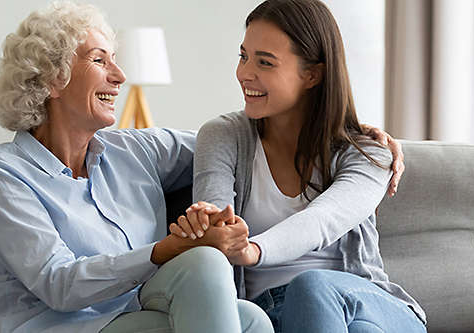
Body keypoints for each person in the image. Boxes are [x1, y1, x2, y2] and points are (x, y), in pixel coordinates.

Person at [0, 2, 404, 333]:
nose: (119, 75)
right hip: (53, 325)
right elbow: (58, 284)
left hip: (134, 313)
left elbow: (250, 146)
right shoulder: (4, 175)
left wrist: (344, 130)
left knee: (252, 320)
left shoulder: (135, 152)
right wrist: (163, 251)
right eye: (99, 60)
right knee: (210, 269)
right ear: (52, 77)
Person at [172, 0, 428, 332]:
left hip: (368, 305)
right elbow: (215, 221)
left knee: (313, 287)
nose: (244, 73)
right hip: (271, 314)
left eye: (265, 62)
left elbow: (323, 220)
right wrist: (212, 227)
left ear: (312, 74)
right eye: (243, 56)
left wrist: (253, 249)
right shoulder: (223, 136)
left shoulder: (369, 153)